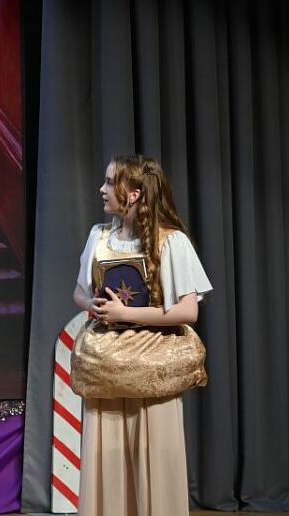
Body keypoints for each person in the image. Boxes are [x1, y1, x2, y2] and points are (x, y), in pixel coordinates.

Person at [73, 155, 213, 516]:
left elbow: (188, 311)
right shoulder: (99, 237)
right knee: (109, 463)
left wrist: (126, 314)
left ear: (133, 193)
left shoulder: (171, 242)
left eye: (109, 182)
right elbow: (79, 293)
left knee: (156, 464)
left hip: (153, 369)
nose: (101, 189)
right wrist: (94, 305)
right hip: (107, 368)